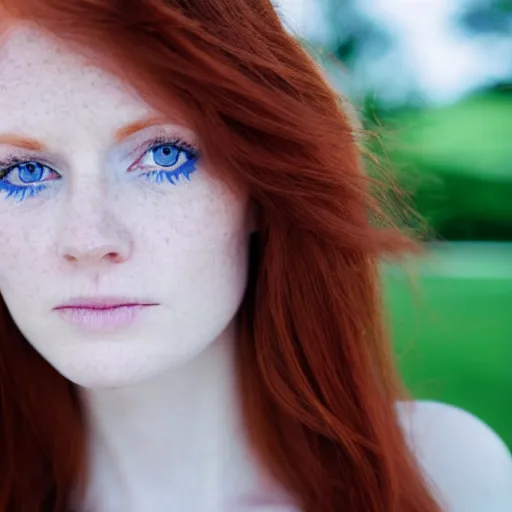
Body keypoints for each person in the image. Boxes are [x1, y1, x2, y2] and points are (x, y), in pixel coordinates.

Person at [0, 1, 510, 511]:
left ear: (261, 190)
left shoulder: (445, 472)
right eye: (22, 172)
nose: (88, 239)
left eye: (164, 155)